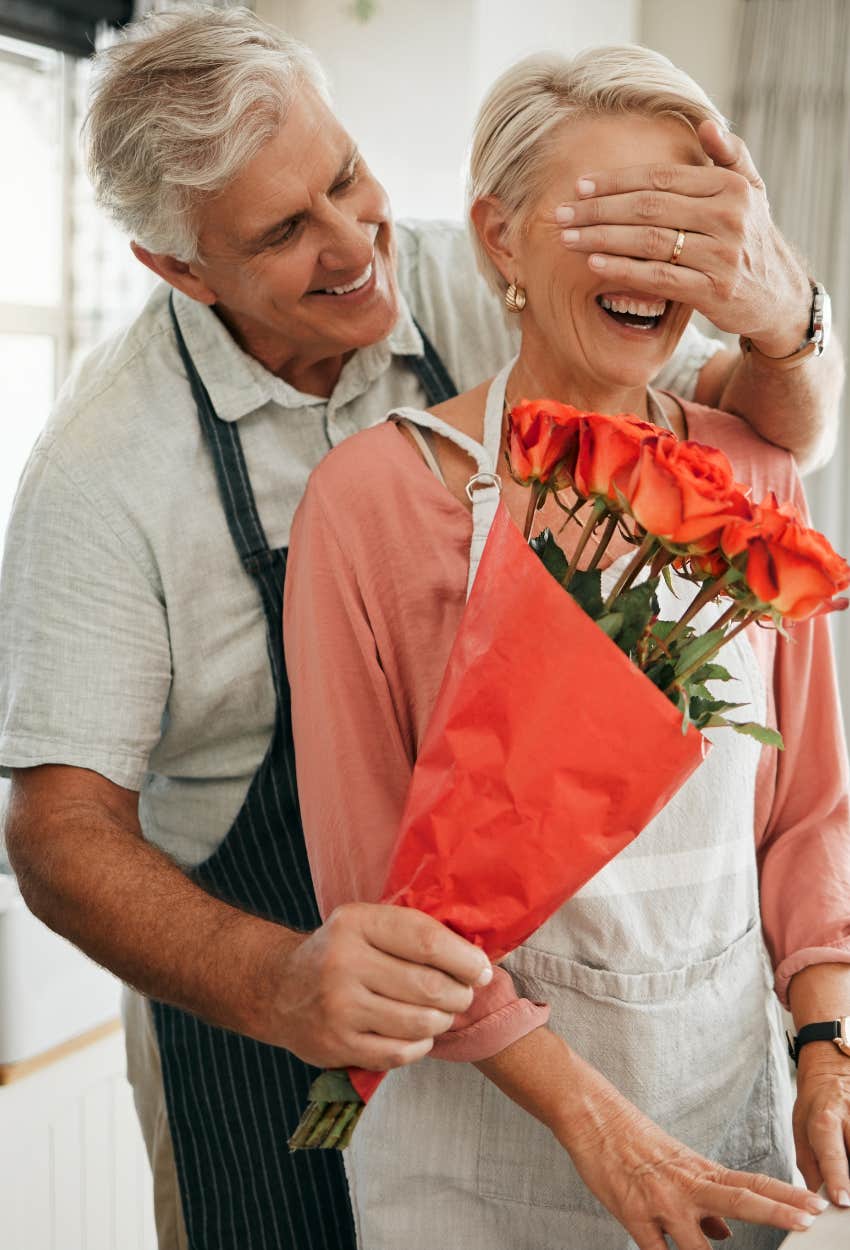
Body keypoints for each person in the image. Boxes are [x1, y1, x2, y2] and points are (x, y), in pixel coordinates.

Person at [0, 8, 842, 1250]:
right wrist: (287, 984)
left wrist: (790, 316)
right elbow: (59, 837)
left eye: (345, 179)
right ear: (181, 269)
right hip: (256, 968)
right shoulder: (106, 472)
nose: (352, 245)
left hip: (653, 1050)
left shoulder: (462, 267)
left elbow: (748, 422)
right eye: (284, 231)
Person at [284, 44, 850, 1250]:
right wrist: (596, 1126)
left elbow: (807, 814)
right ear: (500, 239)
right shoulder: (372, 502)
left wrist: (823, 1043)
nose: (650, 265)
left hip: (714, 1114)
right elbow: (377, 892)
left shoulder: (751, 474)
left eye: (681, 227)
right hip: (471, 1143)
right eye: (610, 221)